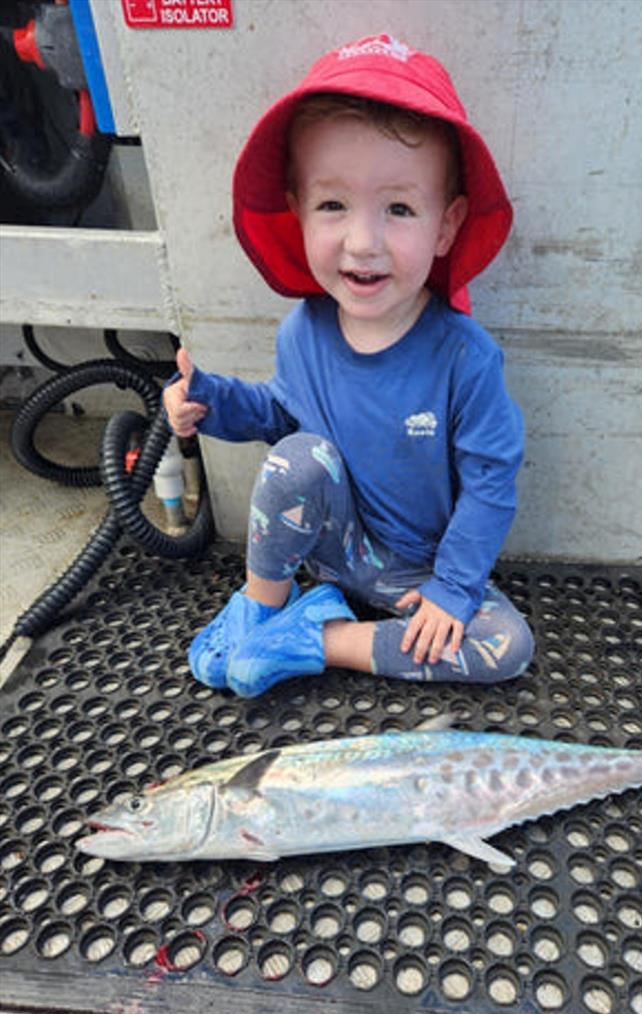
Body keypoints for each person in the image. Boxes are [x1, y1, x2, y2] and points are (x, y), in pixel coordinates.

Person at [163, 33, 534, 698]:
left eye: (399, 208)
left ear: (446, 226)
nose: (364, 242)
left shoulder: (465, 358)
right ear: (298, 212)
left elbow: (489, 484)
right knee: (297, 456)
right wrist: (206, 400)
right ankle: (261, 610)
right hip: (332, 553)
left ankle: (316, 640)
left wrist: (452, 591)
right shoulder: (302, 333)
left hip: (420, 574)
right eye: (333, 205)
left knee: (507, 646)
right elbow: (280, 415)